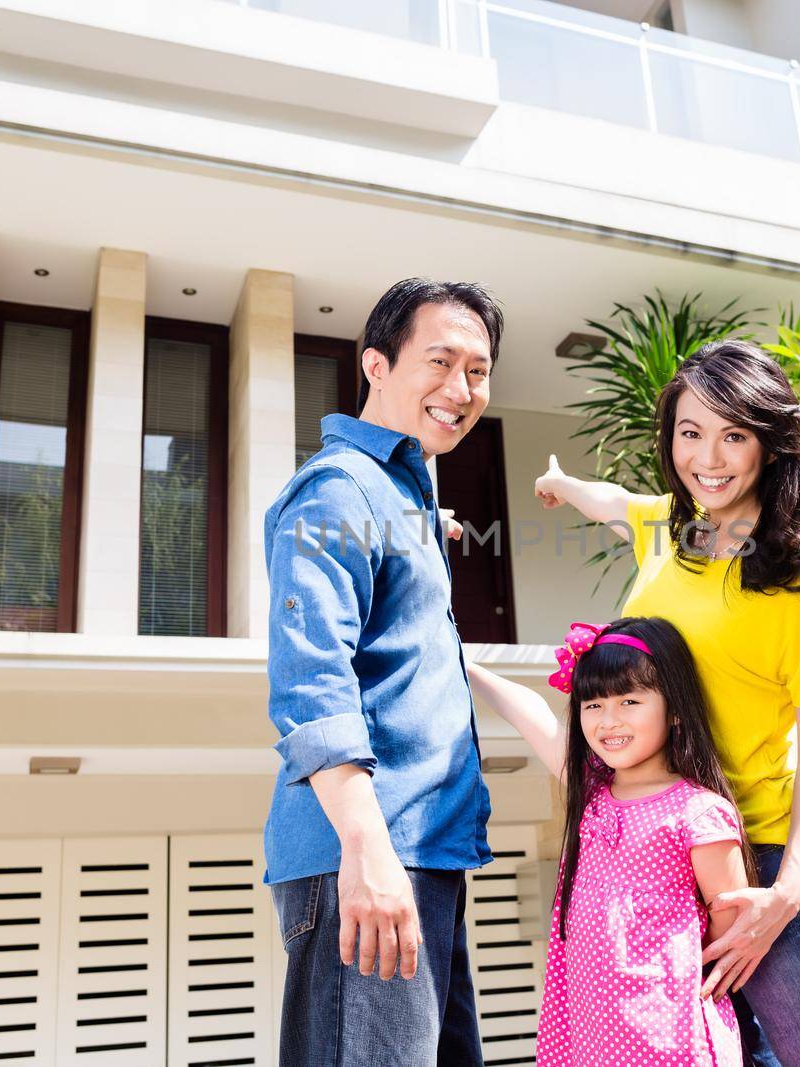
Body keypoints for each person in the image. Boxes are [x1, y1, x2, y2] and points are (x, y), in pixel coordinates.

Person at [533, 339, 800, 1066]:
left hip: (759, 854)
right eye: (690, 433)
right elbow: (617, 505)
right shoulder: (674, 526)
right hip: (664, 854)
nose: (710, 457)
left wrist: (785, 893)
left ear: (770, 443)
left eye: (734, 434)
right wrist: (563, 485)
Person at [262, 278, 503, 1066]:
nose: (460, 389)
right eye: (439, 361)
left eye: (478, 369)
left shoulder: (399, 491)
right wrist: (367, 850)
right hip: (371, 849)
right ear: (375, 364)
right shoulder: (338, 488)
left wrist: (427, 523)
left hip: (425, 852)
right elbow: (312, 681)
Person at [468, 617, 754, 1067]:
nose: (609, 720)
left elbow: (731, 923)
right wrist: (465, 663)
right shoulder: (591, 791)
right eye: (593, 704)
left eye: (629, 700)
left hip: (671, 1032)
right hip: (590, 1031)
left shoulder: (698, 811)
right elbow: (530, 711)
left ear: (675, 708)